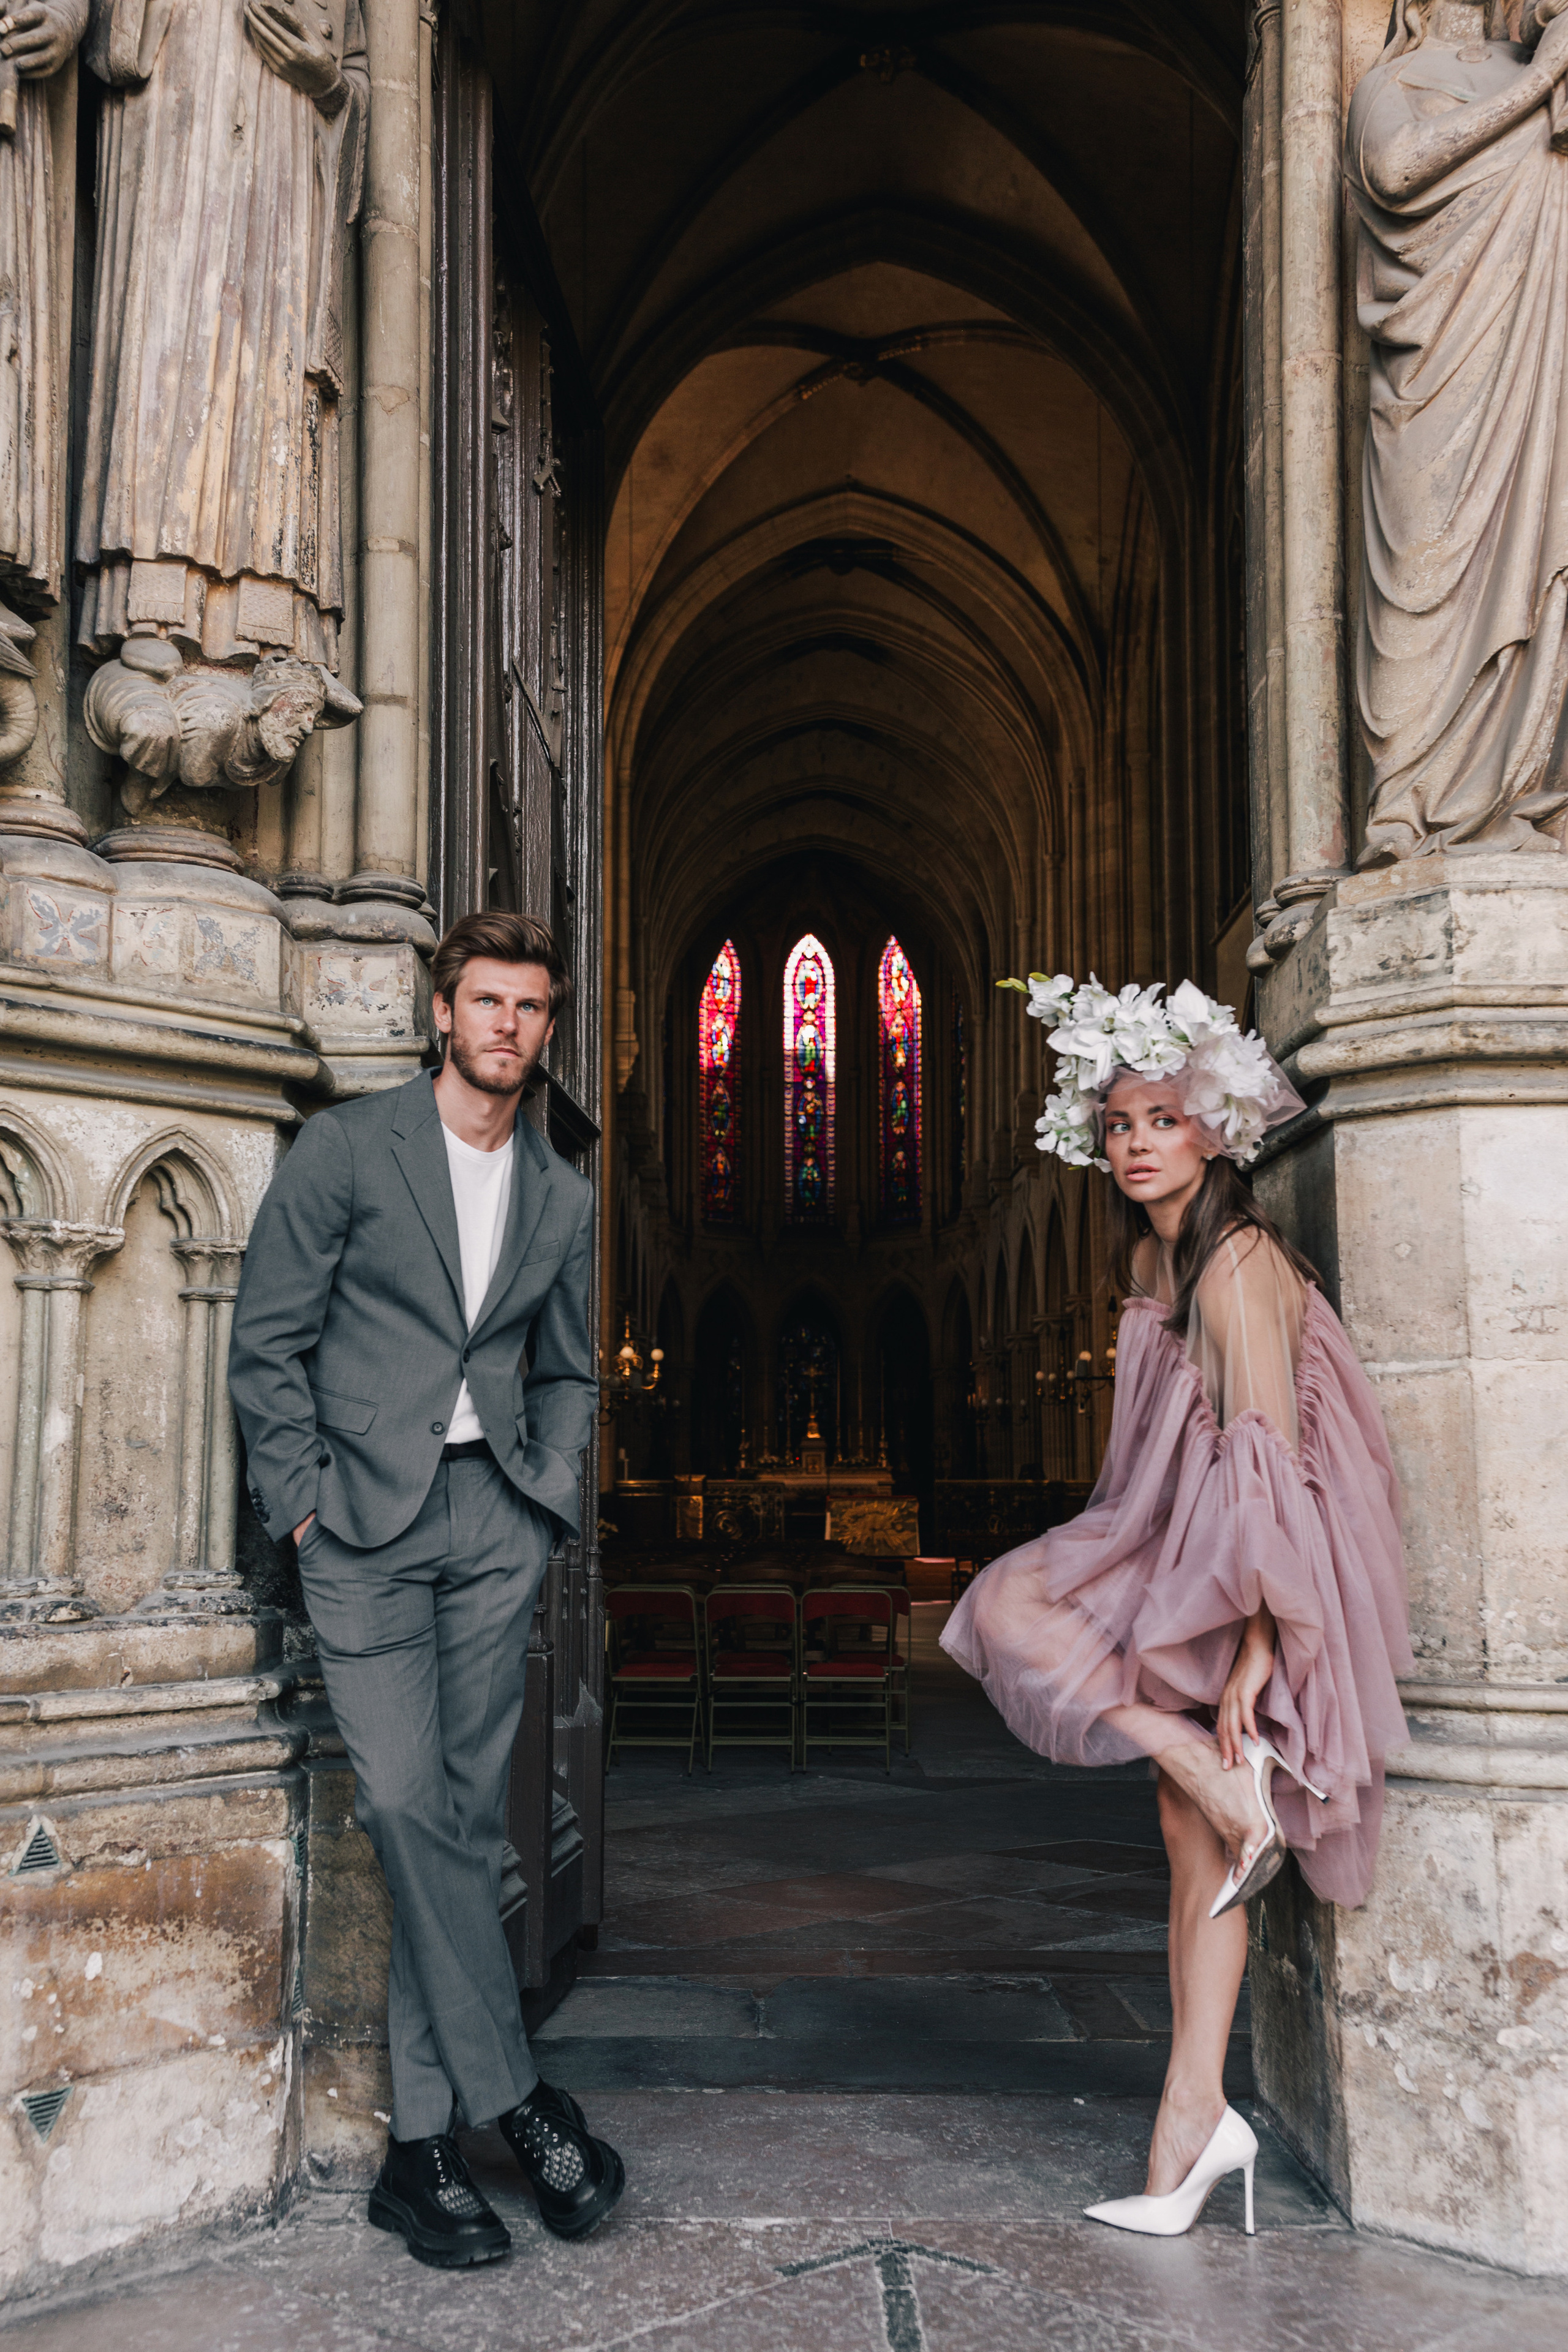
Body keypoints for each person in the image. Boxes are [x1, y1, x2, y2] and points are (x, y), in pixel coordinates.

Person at [943, 974, 1411, 2237]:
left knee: (1030, 1630)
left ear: (1212, 1126)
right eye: (1116, 1127)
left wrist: (1258, 1649)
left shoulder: (1235, 1264)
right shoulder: (1160, 1256)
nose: (1135, 1145)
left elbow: (1270, 1462)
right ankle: (1193, 2118)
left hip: (1245, 1570)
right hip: (1177, 1547)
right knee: (1175, 1814)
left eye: (1160, 1119)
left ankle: (1187, 2127)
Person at [230, 910, 624, 2268]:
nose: (509, 1026)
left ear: (544, 1029)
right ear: (442, 1012)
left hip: (492, 1521)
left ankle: (423, 2152)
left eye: (532, 1008)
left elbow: (568, 1365)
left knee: (450, 1821)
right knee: (408, 1805)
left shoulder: (562, 1195)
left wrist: (547, 1495)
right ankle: (519, 2099)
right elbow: (268, 1339)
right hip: (363, 1525)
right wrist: (301, 1505)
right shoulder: (348, 1148)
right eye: (488, 1002)